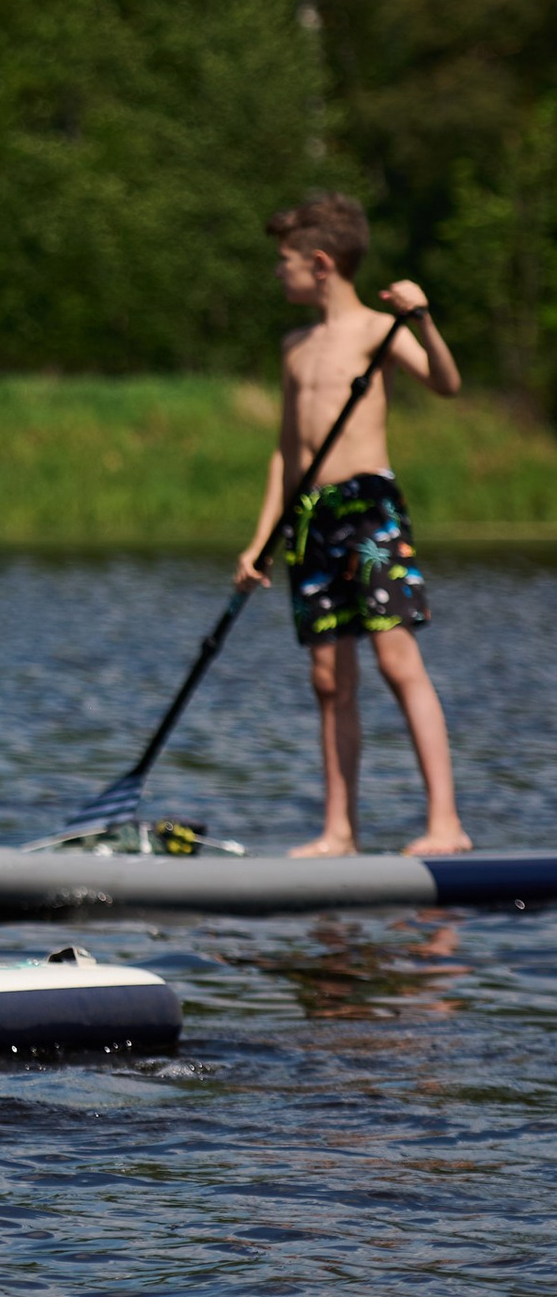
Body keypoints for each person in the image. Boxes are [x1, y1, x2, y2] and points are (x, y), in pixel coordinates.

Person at [233, 192, 469, 859]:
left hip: (368, 510)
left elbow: (447, 384)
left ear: (321, 262)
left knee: (397, 660)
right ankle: (340, 830)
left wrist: (422, 320)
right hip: (310, 517)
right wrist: (261, 541)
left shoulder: (376, 331)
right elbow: (286, 453)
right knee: (328, 678)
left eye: (284, 262)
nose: (277, 273)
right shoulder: (295, 347)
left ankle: (445, 824)